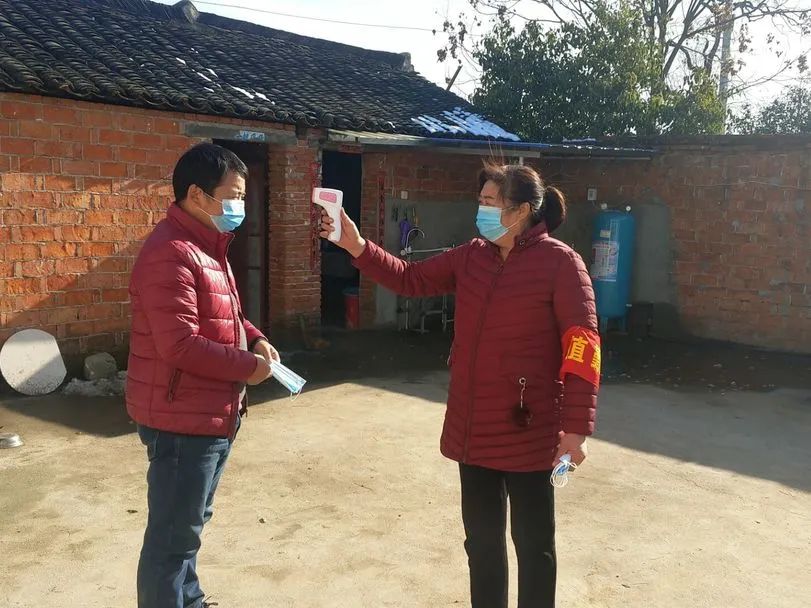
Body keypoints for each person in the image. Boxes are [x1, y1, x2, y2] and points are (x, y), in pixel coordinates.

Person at [320, 162, 601, 608]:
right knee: (482, 544)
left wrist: (577, 428)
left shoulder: (561, 263)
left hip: (530, 431)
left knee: (534, 546)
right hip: (473, 429)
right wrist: (356, 245)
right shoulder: (472, 256)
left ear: (521, 210)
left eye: (490, 202)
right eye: (481, 201)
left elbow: (582, 344)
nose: (481, 210)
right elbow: (411, 279)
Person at [126, 143, 279, 608]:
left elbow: (227, 314)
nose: (240, 207)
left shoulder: (208, 246)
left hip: (209, 413)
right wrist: (249, 368)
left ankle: (189, 599)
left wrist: (254, 338)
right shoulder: (170, 253)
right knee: (172, 539)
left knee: (189, 525)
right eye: (233, 196)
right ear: (197, 194)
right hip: (181, 419)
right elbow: (180, 344)